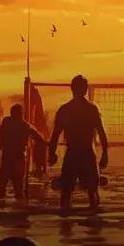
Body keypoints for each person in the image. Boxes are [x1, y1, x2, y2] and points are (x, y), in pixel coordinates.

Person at [48, 75, 108, 210]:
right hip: (86, 153)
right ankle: (92, 223)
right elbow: (102, 133)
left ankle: (66, 226)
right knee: (91, 193)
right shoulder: (90, 109)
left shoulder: (66, 110)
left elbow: (55, 136)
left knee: (67, 194)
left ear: (72, 89)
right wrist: (105, 154)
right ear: (85, 89)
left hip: (75, 154)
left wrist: (52, 154)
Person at [0, 104, 46, 201]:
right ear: (20, 114)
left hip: (9, 155)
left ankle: (3, 201)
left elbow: (0, 138)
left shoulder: (8, 123)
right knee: (17, 185)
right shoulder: (23, 125)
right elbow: (38, 137)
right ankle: (17, 203)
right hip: (17, 156)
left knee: (4, 184)